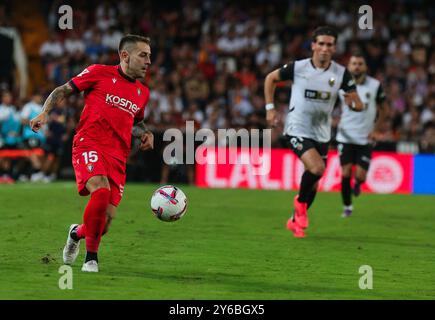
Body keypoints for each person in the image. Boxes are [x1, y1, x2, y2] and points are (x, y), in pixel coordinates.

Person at [30, 34, 154, 272]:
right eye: (143, 55)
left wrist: (145, 133)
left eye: (149, 56)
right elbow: (63, 90)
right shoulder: (98, 72)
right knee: (100, 188)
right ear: (125, 55)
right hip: (90, 143)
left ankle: (76, 233)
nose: (148, 61)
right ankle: (91, 259)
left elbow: (136, 121)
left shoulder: (142, 93)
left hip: (118, 155)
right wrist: (44, 112)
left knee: (103, 224)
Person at [264, 26, 364, 238]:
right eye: (321, 43)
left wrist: (353, 104)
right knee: (317, 168)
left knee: (315, 184)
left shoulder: (341, 73)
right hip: (297, 128)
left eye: (329, 44)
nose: (325, 48)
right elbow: (270, 79)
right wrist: (270, 108)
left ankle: (295, 222)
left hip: (322, 134)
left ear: (334, 48)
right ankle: (299, 204)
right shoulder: (298, 67)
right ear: (313, 45)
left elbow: (357, 103)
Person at [336, 53, 387, 217]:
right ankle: (347, 206)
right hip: (345, 136)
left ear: (365, 67)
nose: (357, 66)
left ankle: (358, 183)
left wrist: (376, 130)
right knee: (345, 172)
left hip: (365, 138)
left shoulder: (375, 85)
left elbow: (384, 109)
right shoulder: (340, 84)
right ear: (349, 66)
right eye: (354, 63)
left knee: (360, 175)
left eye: (360, 63)